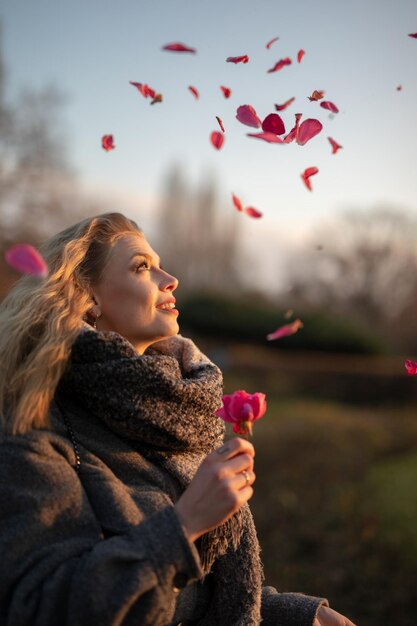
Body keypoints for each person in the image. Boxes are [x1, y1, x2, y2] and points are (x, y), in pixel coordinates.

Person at [0, 213, 356, 626]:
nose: (170, 279)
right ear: (89, 298)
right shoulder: (34, 430)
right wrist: (185, 523)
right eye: (142, 267)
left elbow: (198, 596)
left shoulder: (169, 415)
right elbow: (42, 609)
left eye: (160, 264)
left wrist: (300, 616)